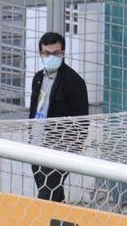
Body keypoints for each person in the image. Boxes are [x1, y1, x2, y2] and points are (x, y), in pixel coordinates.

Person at [27, 31, 90, 202]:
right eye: (47, 53)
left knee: (46, 196)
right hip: (37, 145)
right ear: (41, 54)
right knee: (54, 194)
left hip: (60, 150)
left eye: (56, 53)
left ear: (62, 54)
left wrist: (71, 150)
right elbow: (34, 110)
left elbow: (83, 121)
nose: (51, 57)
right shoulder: (38, 78)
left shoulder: (73, 81)